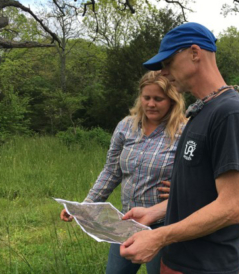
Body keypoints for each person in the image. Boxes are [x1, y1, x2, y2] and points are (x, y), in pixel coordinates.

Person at [119, 22, 239, 274]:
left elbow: (231, 208)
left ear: (194, 53)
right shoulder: (200, 111)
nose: (162, 73)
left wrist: (160, 237)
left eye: (168, 63)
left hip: (205, 266)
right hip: (177, 259)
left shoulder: (231, 114)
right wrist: (154, 212)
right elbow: (200, 193)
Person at [60, 70, 187, 274]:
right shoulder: (126, 126)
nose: (151, 104)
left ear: (172, 100)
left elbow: (196, 176)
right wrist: (84, 206)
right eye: (146, 98)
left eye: (158, 99)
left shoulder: (184, 131)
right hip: (127, 222)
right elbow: (111, 171)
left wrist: (182, 189)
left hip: (164, 225)